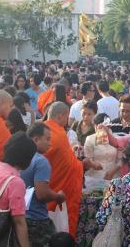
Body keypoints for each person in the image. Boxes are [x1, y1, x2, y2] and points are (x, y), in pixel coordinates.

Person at [20, 122, 66, 247]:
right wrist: (58, 196)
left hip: (18, 217)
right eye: (47, 139)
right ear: (35, 139)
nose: (50, 143)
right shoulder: (40, 161)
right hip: (36, 219)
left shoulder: (18, 158)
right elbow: (41, 194)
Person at [44, 102, 85, 238]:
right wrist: (82, 164)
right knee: (63, 224)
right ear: (62, 116)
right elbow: (66, 164)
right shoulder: (56, 133)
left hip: (51, 183)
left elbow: (63, 158)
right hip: (59, 188)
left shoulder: (46, 129)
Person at [84, 113, 120, 180]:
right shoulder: (90, 139)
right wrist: (93, 164)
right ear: (95, 126)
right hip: (95, 176)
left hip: (113, 175)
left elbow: (121, 160)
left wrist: (112, 171)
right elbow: (87, 159)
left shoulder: (116, 139)